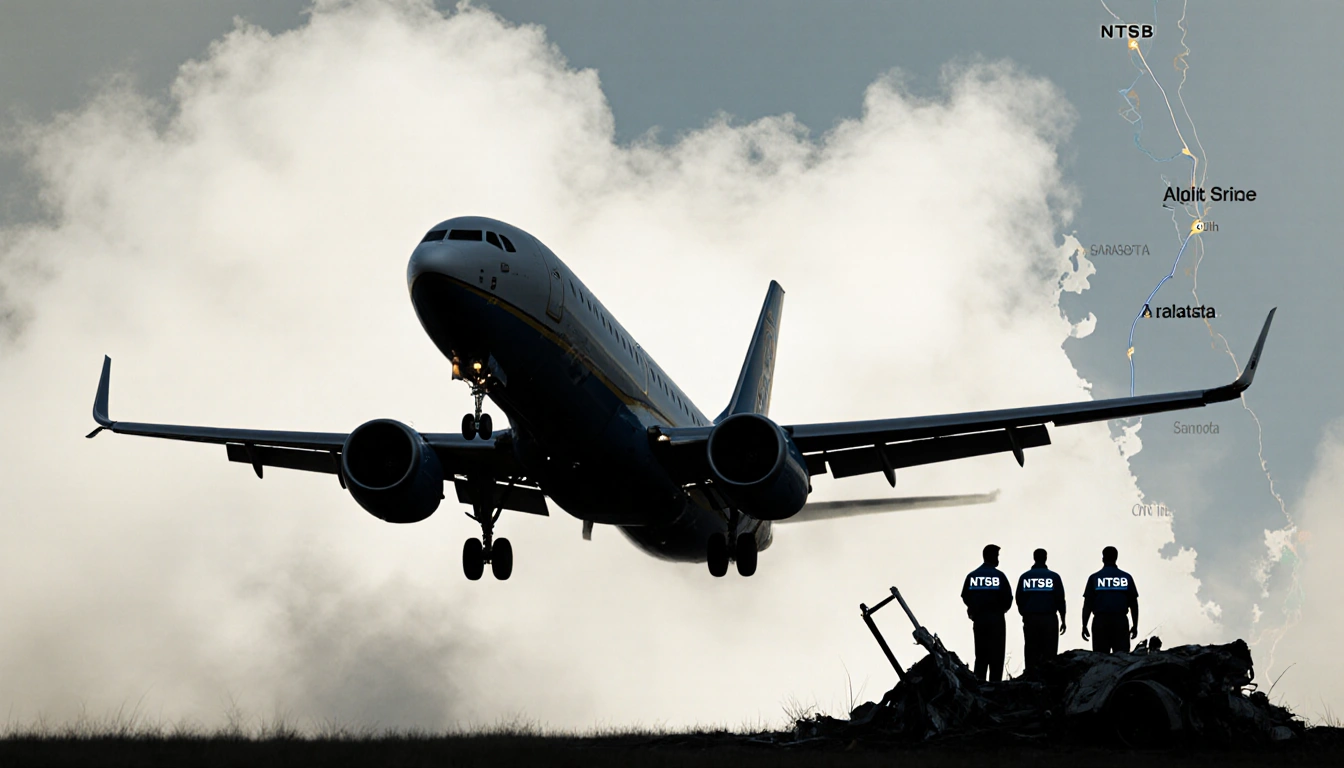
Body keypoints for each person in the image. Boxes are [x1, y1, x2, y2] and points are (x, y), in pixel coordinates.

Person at [961, 544, 1013, 681]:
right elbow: (1008, 598)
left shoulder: (972, 576)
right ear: (990, 556)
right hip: (996, 620)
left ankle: (979, 684)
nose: (998, 559)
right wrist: (1002, 610)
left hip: (979, 620)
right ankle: (995, 686)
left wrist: (974, 608)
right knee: (997, 656)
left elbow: (965, 596)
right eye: (996, 556)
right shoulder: (999, 576)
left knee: (981, 655)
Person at [1016, 548, 1066, 674]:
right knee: (1049, 654)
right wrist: (1063, 619)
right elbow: (1060, 600)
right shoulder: (1054, 577)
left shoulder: (1025, 577)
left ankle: (1030, 679)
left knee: (1031, 652)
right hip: (1049, 619)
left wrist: (1024, 614)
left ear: (1034, 558)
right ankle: (1048, 681)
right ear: (1046, 558)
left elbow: (1019, 598)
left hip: (1031, 619)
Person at [1081, 545, 1139, 653]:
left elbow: (1087, 604)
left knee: (1101, 659)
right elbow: (1133, 604)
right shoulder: (1126, 578)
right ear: (1116, 558)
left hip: (1100, 623)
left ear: (1103, 558)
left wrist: (1084, 624)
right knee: (1122, 661)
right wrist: (1135, 625)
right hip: (1120, 622)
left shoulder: (1094, 578)